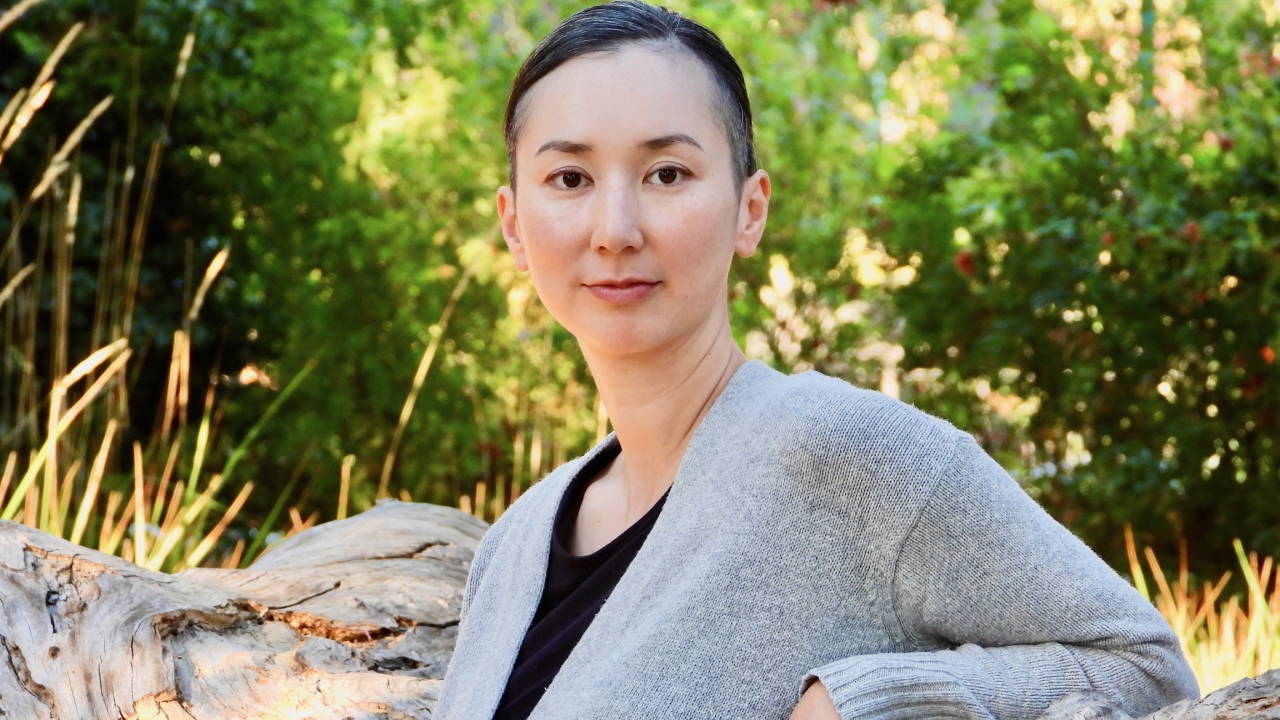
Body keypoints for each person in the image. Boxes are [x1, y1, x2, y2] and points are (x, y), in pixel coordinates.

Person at [435, 2, 1199, 718]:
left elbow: (1145, 667)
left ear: (750, 210)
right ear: (513, 225)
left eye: (667, 173)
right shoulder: (514, 544)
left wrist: (867, 701)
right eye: (569, 179)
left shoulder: (845, 453)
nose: (615, 228)